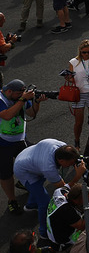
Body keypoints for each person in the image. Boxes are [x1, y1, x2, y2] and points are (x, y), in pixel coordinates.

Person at [13, 140, 86, 239]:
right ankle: (44, 232)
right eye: (70, 163)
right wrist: (77, 176)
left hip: (29, 157)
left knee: (38, 187)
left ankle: (31, 204)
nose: (72, 165)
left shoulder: (62, 147)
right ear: (61, 161)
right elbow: (63, 189)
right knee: (45, 202)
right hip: (24, 170)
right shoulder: (48, 168)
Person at [1, 80, 45, 216]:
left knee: (35, 163)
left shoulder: (21, 97)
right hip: (2, 142)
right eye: (18, 94)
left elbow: (31, 113)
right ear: (9, 91)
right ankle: (12, 200)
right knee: (6, 174)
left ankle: (23, 182)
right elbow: (7, 116)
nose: (20, 96)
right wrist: (22, 99)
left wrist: (36, 102)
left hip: (20, 139)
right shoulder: (1, 99)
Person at [45, 183, 84, 249]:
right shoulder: (67, 210)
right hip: (61, 240)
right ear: (77, 200)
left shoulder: (60, 191)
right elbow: (83, 226)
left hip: (51, 230)